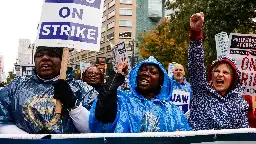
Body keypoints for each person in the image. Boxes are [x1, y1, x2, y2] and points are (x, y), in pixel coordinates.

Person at [0, 46, 93, 134]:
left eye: (52, 54)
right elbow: (2, 121)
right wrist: (31, 140)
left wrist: (73, 105)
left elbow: (95, 129)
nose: (45, 58)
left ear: (62, 60)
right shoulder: (15, 86)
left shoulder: (82, 89)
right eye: (39, 55)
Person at [89, 56, 190, 133]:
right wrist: (117, 76)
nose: (145, 73)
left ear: (161, 81)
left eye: (153, 72)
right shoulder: (122, 100)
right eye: (143, 70)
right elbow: (102, 117)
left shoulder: (171, 110)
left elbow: (184, 136)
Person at [188, 12, 249, 130]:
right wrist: (196, 33)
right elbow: (196, 66)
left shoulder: (240, 105)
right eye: (216, 71)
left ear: (233, 80)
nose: (220, 75)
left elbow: (243, 136)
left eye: (226, 72)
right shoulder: (201, 93)